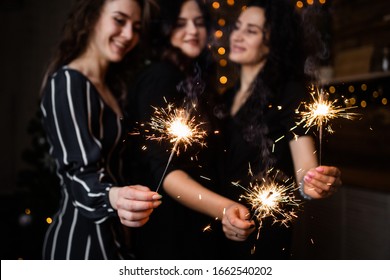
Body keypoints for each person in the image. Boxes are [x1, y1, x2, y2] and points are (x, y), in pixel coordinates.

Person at [213, 0, 342, 259]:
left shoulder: (289, 92)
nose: (237, 36)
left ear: (272, 43)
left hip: (259, 233)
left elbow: (305, 170)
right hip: (219, 225)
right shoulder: (226, 98)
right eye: (237, 27)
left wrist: (314, 183)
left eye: (251, 30)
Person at [126, 0, 255, 259]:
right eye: (180, 24)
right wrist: (226, 208)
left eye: (199, 23)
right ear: (164, 30)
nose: (193, 31)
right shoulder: (160, 77)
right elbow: (166, 171)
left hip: (201, 226)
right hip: (171, 231)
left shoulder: (198, 81)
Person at [40, 0, 162, 260]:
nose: (129, 35)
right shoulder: (68, 82)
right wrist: (115, 196)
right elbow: (77, 174)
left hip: (117, 237)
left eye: (136, 27)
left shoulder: (114, 87)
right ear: (91, 17)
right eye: (119, 20)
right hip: (81, 244)